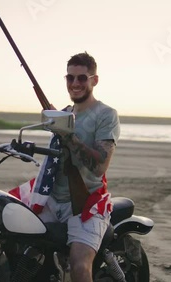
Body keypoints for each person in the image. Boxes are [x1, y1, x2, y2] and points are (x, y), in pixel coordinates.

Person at [39, 52, 121, 282]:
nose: (75, 84)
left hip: (87, 204)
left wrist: (70, 137)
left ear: (94, 80)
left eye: (82, 78)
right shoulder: (63, 114)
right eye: (70, 78)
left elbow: (99, 167)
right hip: (52, 200)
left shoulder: (106, 115)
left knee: (79, 266)